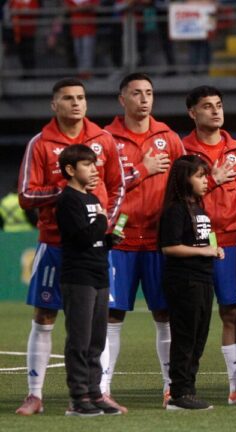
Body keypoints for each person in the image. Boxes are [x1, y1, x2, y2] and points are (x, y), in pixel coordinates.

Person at [16, 78, 125, 416]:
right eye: (68, 98)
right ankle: (35, 394)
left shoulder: (102, 139)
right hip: (54, 242)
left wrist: (103, 224)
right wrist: (68, 195)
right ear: (54, 105)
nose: (76, 103)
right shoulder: (40, 143)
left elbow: (118, 187)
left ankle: (98, 392)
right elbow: (25, 195)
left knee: (96, 322)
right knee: (45, 315)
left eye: (81, 97)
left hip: (95, 246)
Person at [104, 73, 185, 407]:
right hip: (118, 241)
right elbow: (98, 183)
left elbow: (184, 182)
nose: (144, 98)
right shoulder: (106, 138)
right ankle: (102, 388)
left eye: (149, 93)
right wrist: (142, 169)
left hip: (158, 241)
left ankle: (171, 387)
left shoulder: (168, 137)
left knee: (164, 313)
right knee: (111, 316)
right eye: (136, 93)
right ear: (122, 99)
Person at [181, 86, 236, 406]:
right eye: (207, 106)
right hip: (194, 243)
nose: (215, 111)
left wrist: (234, 222)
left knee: (231, 312)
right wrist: (211, 180)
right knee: (188, 316)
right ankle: (178, 385)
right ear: (192, 113)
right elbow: (176, 197)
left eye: (219, 105)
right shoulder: (182, 150)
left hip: (227, 241)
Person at [56, 145, 122, 416]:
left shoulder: (92, 198)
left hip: (98, 273)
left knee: (97, 339)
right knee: (80, 340)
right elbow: (81, 238)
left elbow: (93, 240)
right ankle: (78, 397)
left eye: (94, 164)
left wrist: (109, 239)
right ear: (71, 170)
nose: (94, 169)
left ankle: (95, 393)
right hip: (79, 276)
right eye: (87, 165)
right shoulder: (68, 200)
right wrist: (103, 222)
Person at [159, 155, 223, 410]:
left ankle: (188, 390)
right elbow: (170, 247)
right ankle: (179, 393)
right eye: (199, 176)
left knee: (199, 337)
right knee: (185, 338)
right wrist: (205, 251)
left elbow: (209, 236)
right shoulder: (175, 209)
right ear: (184, 179)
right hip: (184, 280)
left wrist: (215, 249)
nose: (206, 181)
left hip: (203, 278)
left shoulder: (199, 207)